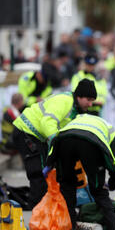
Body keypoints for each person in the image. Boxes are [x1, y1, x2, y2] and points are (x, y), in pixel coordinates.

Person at [11, 79, 97, 209]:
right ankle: (36, 209)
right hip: (26, 131)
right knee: (37, 171)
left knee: (47, 169)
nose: (90, 104)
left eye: (92, 101)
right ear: (79, 96)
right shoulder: (65, 101)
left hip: (37, 135)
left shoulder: (76, 108)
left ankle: (43, 206)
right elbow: (47, 122)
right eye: (89, 99)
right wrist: (57, 144)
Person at [45, 114, 115, 230]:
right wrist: (111, 184)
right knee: (98, 189)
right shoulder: (112, 131)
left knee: (67, 184)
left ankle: (69, 226)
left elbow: (56, 141)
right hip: (90, 142)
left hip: (63, 139)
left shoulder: (76, 121)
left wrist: (49, 162)